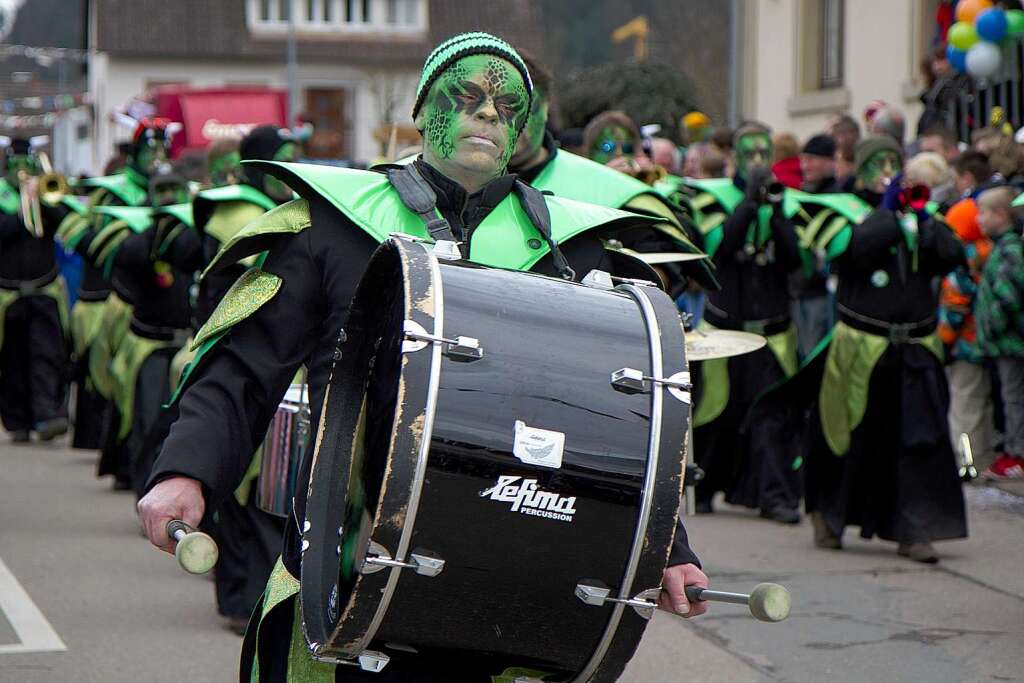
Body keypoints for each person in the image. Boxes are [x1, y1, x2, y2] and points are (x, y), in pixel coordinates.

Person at [138, 33, 709, 681]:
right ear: (420, 108)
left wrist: (667, 546)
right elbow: (246, 368)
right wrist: (186, 469)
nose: (489, 114)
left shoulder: (568, 249)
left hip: (507, 585)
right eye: (466, 96)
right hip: (345, 567)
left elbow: (622, 423)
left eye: (508, 106)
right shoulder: (335, 223)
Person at [158, 126, 298, 635]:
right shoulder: (244, 213)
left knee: (256, 492)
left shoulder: (254, 210)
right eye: (285, 157)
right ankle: (243, 596)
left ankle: (239, 594)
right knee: (251, 491)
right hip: (240, 360)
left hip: (255, 362)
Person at [804, 136, 967, 563]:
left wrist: (921, 220)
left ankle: (914, 529)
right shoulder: (843, 210)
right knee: (849, 437)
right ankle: (831, 516)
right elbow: (851, 252)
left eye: (893, 162)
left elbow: (952, 256)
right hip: (861, 348)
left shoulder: (922, 215)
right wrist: (886, 214)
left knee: (918, 441)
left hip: (914, 349)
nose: (886, 170)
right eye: (877, 163)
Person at [506, 53, 715, 295]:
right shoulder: (467, 182)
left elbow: (669, 267)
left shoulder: (609, 188)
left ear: (543, 108)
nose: (510, 119)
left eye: (521, 105)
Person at [684, 122, 804, 524]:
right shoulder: (712, 198)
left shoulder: (786, 201)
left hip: (773, 331)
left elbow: (796, 262)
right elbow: (715, 253)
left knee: (773, 416)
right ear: (734, 156)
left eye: (762, 153)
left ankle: (775, 496)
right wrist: (748, 205)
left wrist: (776, 212)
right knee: (718, 412)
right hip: (726, 327)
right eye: (749, 153)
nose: (756, 161)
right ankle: (705, 487)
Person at [0, 137, 76, 442]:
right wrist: (21, 208)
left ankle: (48, 415)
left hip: (44, 290)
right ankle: (18, 421)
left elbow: (65, 225)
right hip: (7, 294)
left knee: (48, 355)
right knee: (11, 360)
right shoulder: (2, 196)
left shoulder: (45, 195)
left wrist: (43, 199)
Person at [939, 196, 996, 474]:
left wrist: (943, 340)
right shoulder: (989, 251)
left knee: (964, 406)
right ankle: (982, 457)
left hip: (964, 344)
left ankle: (966, 462)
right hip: (985, 341)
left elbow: (955, 306)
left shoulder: (962, 261)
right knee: (981, 403)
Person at [974, 186, 1024, 478]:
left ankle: (1017, 454)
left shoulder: (1009, 250)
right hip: (1004, 342)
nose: (978, 219)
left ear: (1001, 215)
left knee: (1014, 397)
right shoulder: (1003, 247)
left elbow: (1009, 297)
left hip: (1011, 342)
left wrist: (992, 327)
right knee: (1009, 396)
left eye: (984, 213)